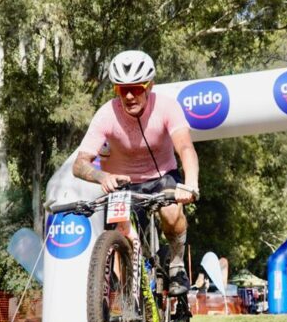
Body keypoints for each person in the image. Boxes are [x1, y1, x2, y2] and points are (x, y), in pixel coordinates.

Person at [72, 50, 199, 295]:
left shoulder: (167, 107)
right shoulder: (106, 114)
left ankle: (176, 264)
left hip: (162, 176)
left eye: (136, 88)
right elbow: (79, 164)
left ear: (150, 86)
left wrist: (190, 183)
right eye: (122, 90)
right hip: (122, 185)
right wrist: (101, 176)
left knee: (172, 213)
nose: (129, 96)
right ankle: (129, 297)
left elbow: (185, 147)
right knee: (123, 236)